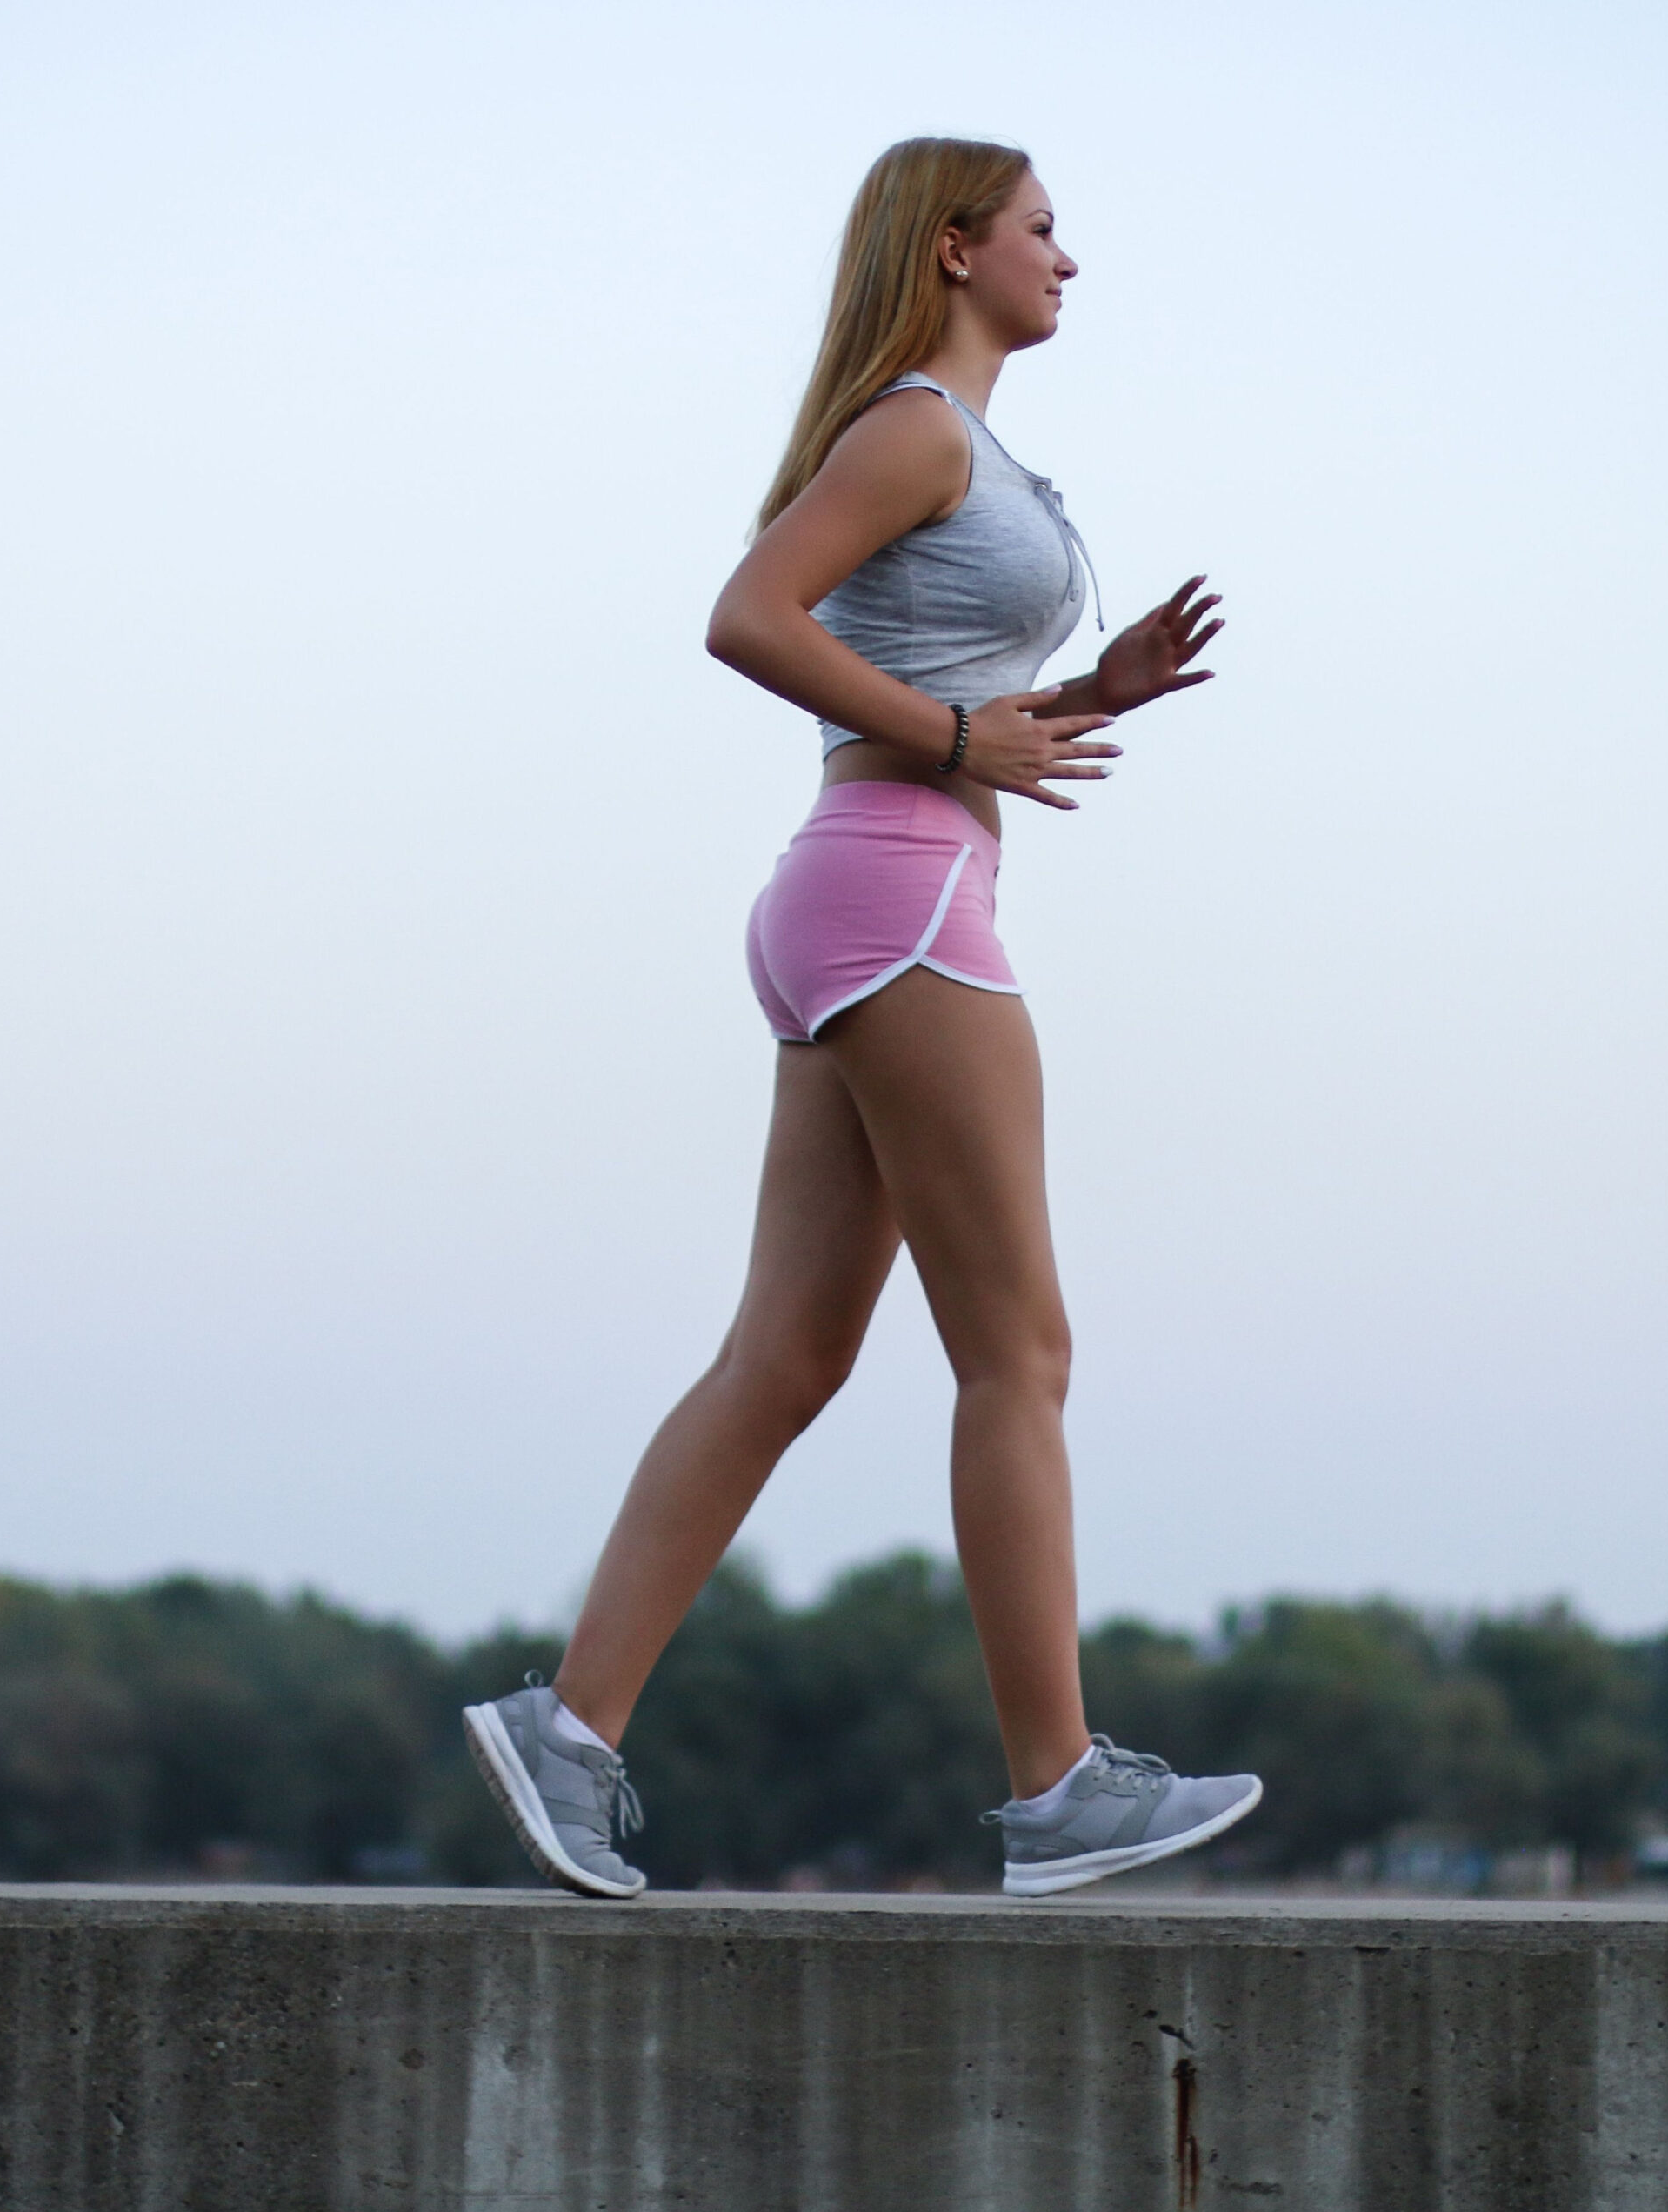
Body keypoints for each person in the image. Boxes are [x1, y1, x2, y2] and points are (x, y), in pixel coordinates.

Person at [464, 137, 1262, 1899]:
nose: (1072, 258)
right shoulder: (911, 428)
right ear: (956, 247)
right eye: (1044, 230)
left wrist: (1065, 698)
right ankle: (1056, 1782)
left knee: (788, 1354)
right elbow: (746, 615)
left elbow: (913, 681)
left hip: (860, 886)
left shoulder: (952, 443)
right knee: (1018, 1351)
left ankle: (567, 1726)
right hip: (901, 894)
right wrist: (969, 741)